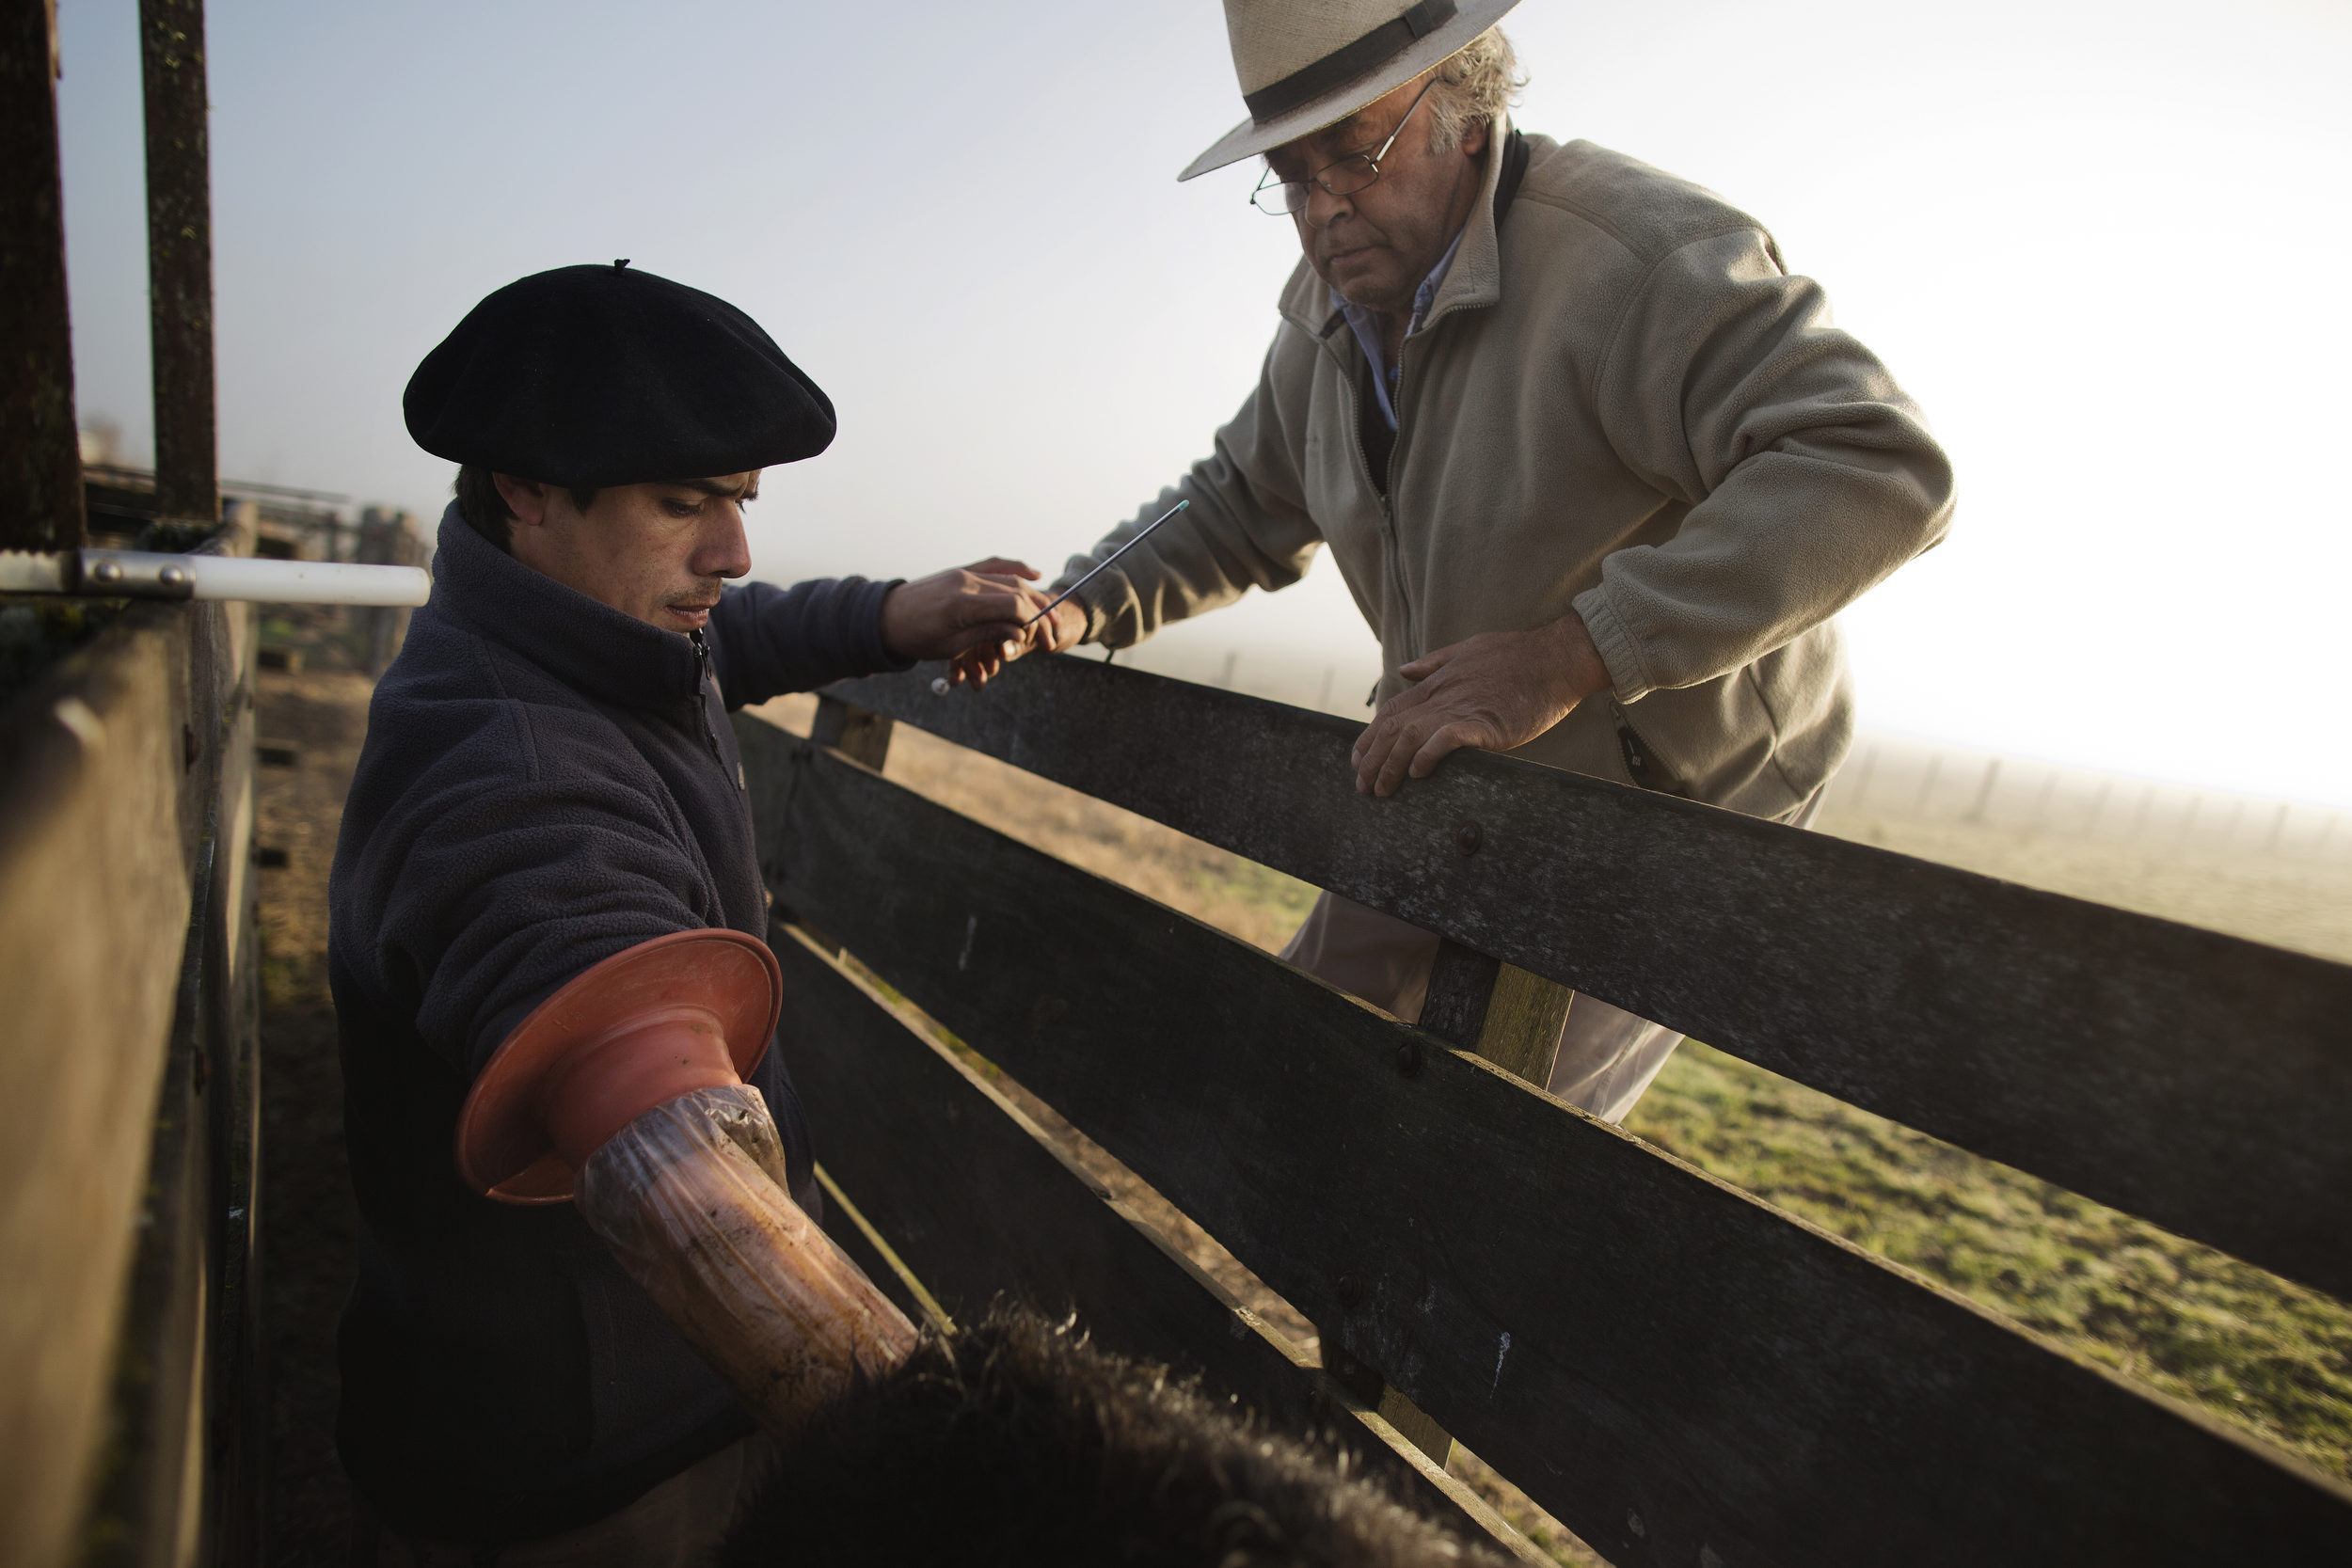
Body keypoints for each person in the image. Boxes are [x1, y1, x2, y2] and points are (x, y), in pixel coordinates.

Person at [1027, 1, 1955, 1123]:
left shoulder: (1637, 257)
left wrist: (1573, 651)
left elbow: (1875, 462)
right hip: (1446, 764)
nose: (1322, 209)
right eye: (1290, 171)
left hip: (1667, 801)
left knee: (1477, 1162)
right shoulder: (1329, 309)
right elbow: (1236, 499)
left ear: (1466, 106)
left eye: (1352, 151)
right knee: (1301, 1084)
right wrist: (1067, 607)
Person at [329, 261, 1057, 1563]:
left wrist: (897, 611)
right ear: (527, 488)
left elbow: (740, 634)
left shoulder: (570, 628)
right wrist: (938, 1452)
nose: (733, 550)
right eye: (685, 505)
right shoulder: (503, 770)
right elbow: (618, 1056)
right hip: (596, 1469)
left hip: (615, 1391)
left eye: (739, 500)